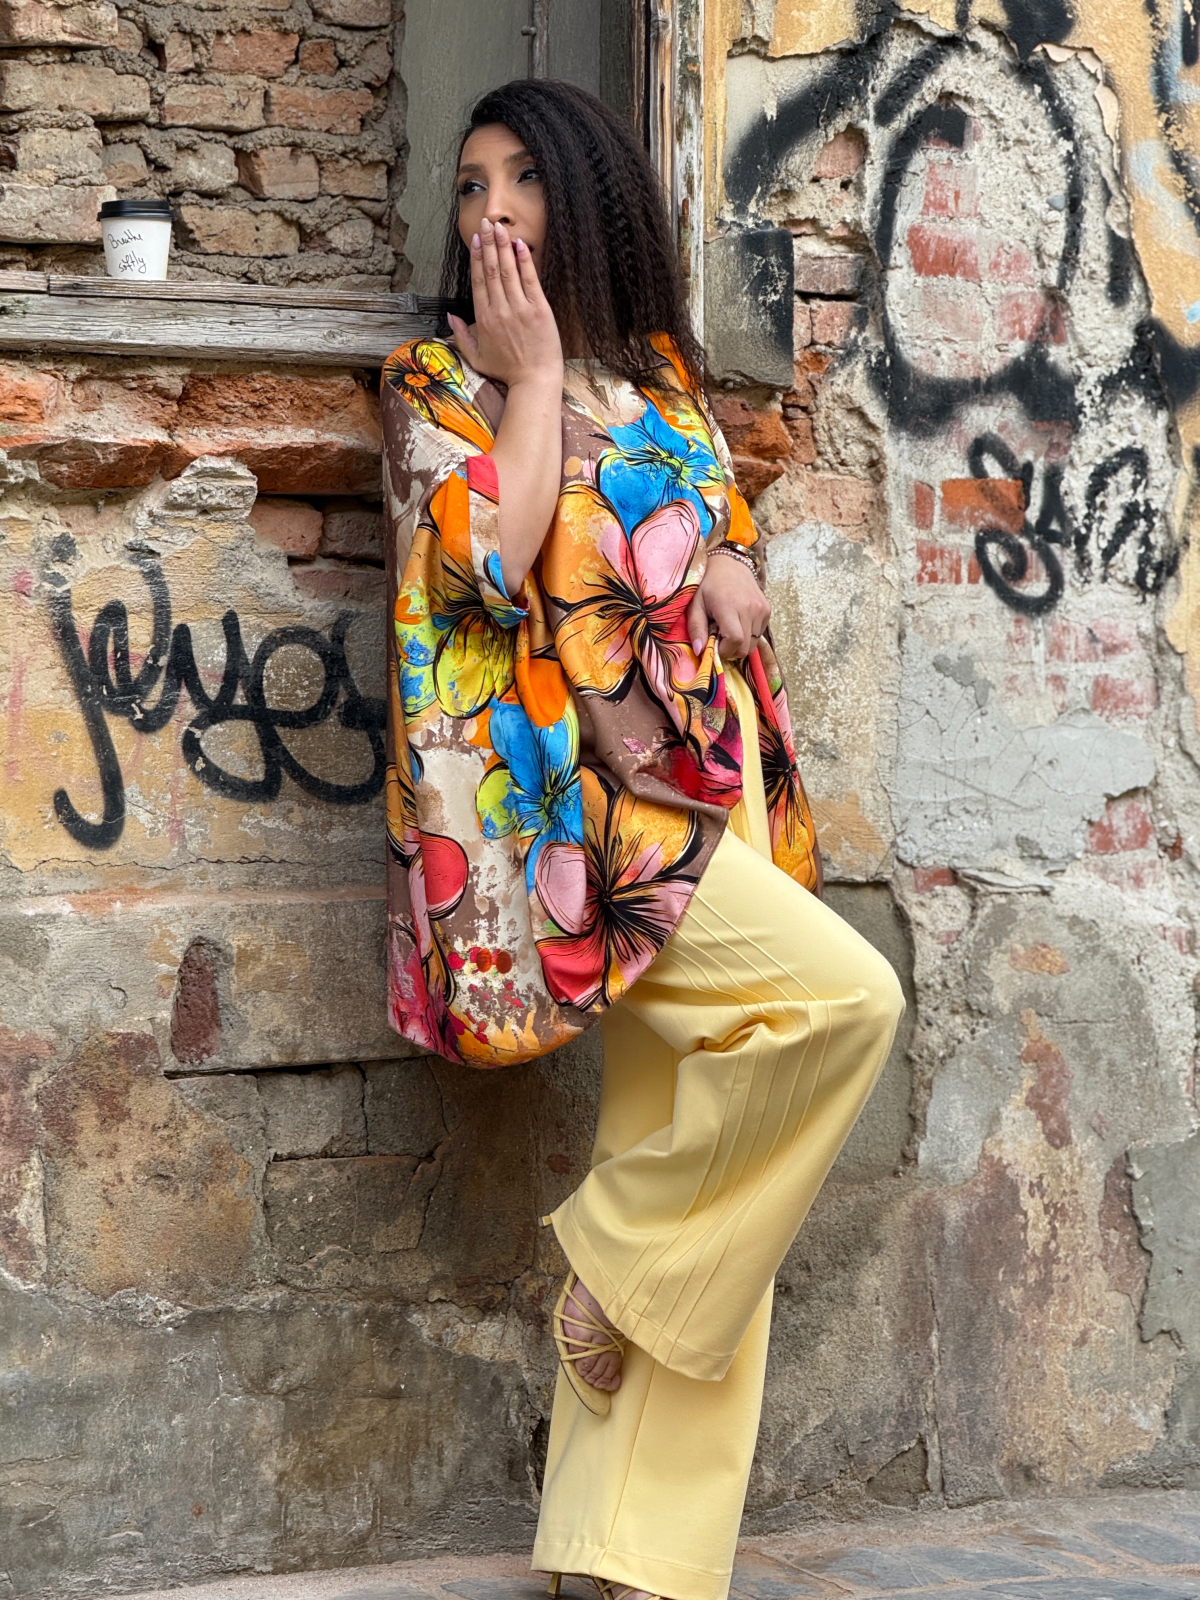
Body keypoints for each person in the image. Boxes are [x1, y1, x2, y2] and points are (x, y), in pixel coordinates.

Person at [380, 77, 904, 1600]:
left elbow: (703, 518)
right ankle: (617, 1259)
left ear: (588, 197)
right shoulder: (436, 383)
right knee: (843, 1005)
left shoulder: (663, 378)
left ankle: (625, 1555)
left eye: (523, 179)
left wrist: (737, 563)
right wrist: (533, 376)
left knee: (710, 1147)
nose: (492, 209)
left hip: (713, 779)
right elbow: (487, 566)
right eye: (471, 184)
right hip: (592, 828)